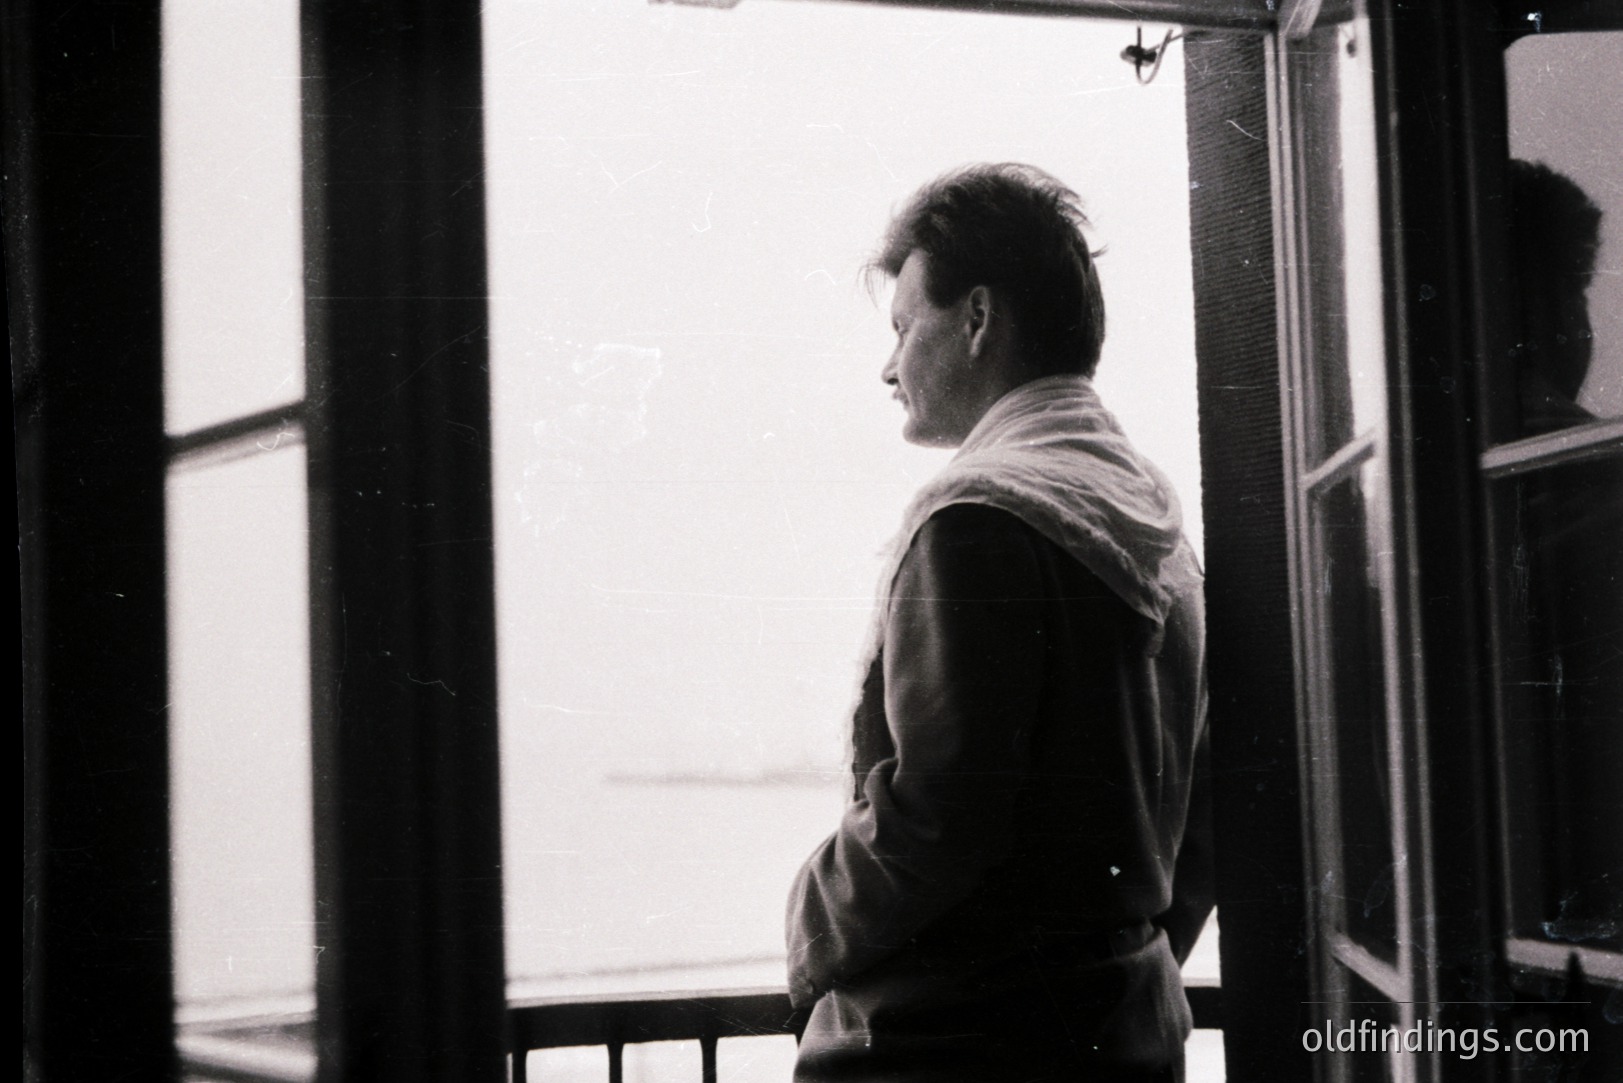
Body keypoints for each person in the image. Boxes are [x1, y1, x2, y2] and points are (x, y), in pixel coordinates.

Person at [786, 163, 1213, 1082]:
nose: (889, 366)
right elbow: (1201, 815)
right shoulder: (1155, 531)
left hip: (954, 1048)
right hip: (1128, 1028)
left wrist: (810, 926)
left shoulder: (977, 521)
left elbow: (938, 821)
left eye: (904, 327)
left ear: (977, 318)